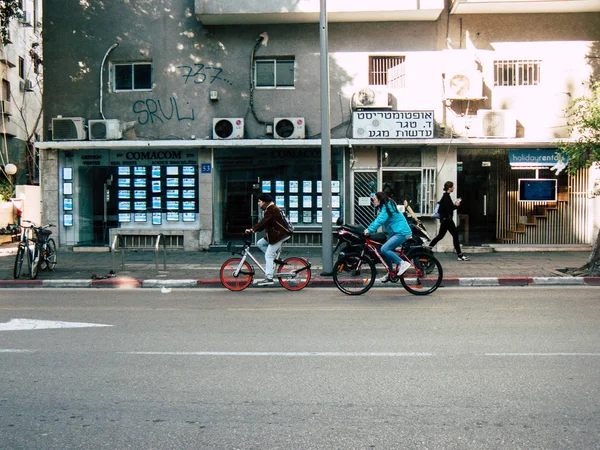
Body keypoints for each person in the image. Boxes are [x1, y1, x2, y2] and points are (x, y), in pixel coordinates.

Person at [363, 191, 413, 282]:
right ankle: (391, 272)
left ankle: (402, 263)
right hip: (395, 232)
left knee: (384, 249)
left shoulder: (386, 208)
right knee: (385, 254)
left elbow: (380, 220)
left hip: (401, 233)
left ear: (380, 200)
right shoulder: (386, 206)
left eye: (374, 199)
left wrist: (369, 230)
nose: (373, 201)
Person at [245, 193, 292, 286]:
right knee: (260, 243)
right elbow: (265, 223)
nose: (258, 203)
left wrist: (252, 229)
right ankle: (275, 259)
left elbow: (263, 222)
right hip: (275, 234)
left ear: (264, 202)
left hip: (280, 235)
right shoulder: (270, 209)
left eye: (259, 201)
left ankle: (269, 277)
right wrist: (254, 230)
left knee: (268, 255)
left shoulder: (272, 209)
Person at [428, 181, 470, 261]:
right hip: (447, 220)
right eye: (453, 187)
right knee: (454, 236)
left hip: (445, 220)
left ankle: (429, 248)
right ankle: (460, 255)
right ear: (449, 188)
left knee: (441, 236)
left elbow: (447, 208)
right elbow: (449, 209)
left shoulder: (445, 197)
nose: (453, 188)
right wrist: (456, 205)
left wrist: (454, 205)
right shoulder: (446, 197)